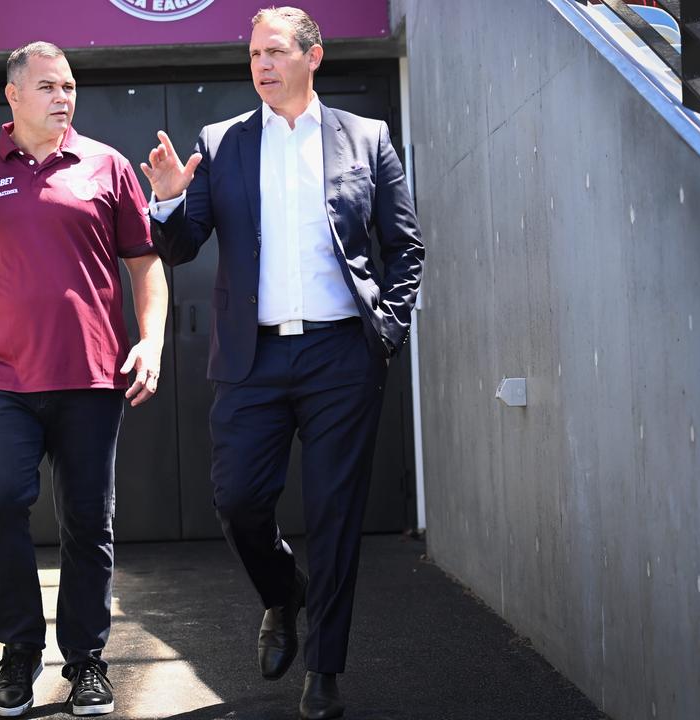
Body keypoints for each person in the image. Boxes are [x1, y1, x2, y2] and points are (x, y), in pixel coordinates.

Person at [140, 7, 424, 719]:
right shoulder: (223, 142)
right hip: (252, 357)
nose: (261, 65)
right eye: (253, 53)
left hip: (341, 356)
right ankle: (281, 593)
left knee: (334, 515)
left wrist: (383, 331)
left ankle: (324, 671)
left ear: (313, 56)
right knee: (237, 500)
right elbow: (180, 248)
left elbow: (405, 247)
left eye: (274, 52)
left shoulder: (368, 138)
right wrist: (169, 201)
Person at [0, 41, 167, 718]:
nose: (64, 97)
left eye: (70, 86)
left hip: (91, 378)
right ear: (13, 94)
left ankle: (86, 661)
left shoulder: (106, 168)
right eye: (50, 86)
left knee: (90, 521)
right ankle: (20, 650)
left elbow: (146, 265)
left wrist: (150, 339)